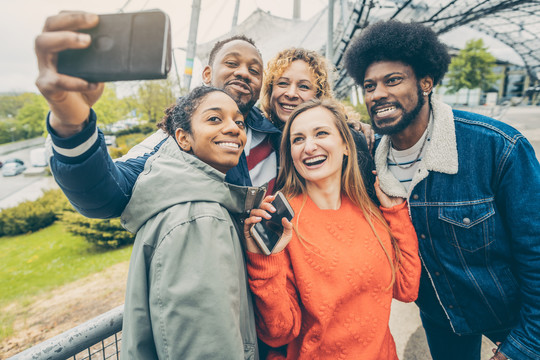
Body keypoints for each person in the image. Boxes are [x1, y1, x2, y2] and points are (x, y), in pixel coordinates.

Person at [35, 12, 374, 218]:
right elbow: (106, 195)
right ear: (208, 75)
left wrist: (346, 124)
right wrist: (71, 125)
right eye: (232, 63)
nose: (244, 72)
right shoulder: (175, 139)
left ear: (260, 86)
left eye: (254, 69)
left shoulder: (273, 134)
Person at [343, 20, 540, 360]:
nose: (378, 94)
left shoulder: (497, 147)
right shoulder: (371, 165)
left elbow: (535, 252)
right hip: (442, 317)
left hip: (513, 315)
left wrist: (523, 346)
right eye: (369, 85)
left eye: (393, 80)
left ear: (426, 82)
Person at [243, 98, 421, 359]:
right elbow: (278, 331)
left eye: (321, 133)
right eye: (298, 139)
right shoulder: (281, 220)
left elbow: (406, 288)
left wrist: (395, 213)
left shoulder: (370, 209)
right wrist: (262, 259)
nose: (309, 147)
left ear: (346, 146)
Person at [120, 86, 265, 359]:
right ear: (183, 138)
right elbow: (206, 349)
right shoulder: (198, 218)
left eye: (239, 122)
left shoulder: (184, 198)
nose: (234, 128)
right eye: (214, 119)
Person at [259, 47, 377, 202]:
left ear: (319, 95)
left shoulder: (347, 137)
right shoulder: (259, 135)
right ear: (270, 89)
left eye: (303, 86)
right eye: (282, 83)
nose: (291, 93)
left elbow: (367, 199)